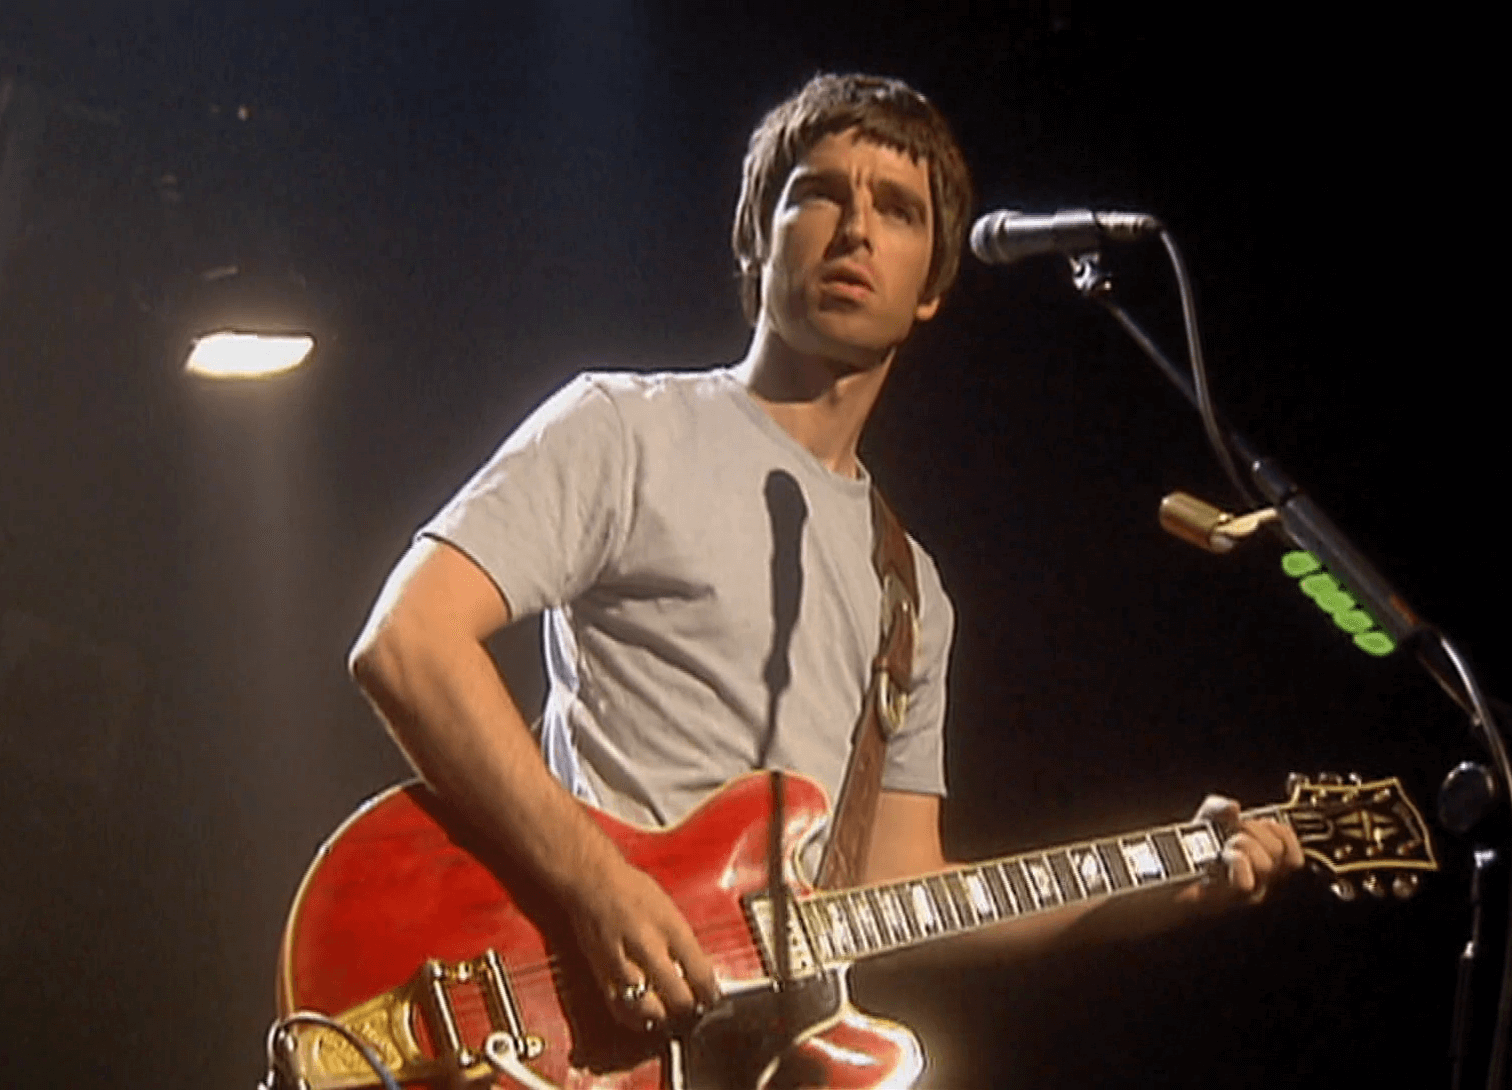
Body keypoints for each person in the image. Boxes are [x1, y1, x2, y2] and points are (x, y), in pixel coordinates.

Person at [347, 72, 1304, 1045]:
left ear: (932, 285)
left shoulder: (913, 594)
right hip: (569, 1018)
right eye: (819, 194)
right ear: (757, 234)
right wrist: (597, 883)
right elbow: (409, 643)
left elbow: (904, 890)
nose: (856, 229)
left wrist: (1169, 883)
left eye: (897, 210)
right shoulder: (626, 428)